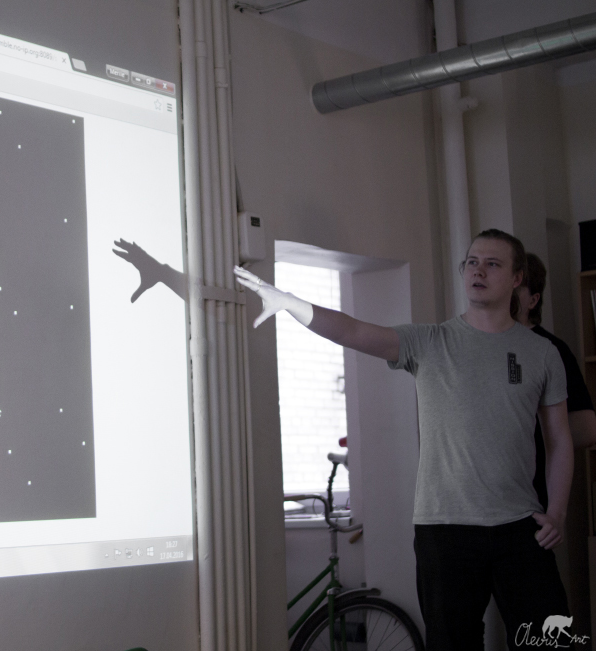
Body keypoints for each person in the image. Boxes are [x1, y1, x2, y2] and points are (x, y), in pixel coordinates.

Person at [235, 229, 573, 649]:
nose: (478, 271)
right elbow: (353, 331)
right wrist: (291, 303)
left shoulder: (542, 353)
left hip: (521, 527)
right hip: (444, 530)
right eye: (472, 262)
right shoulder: (429, 341)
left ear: (517, 278)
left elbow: (560, 440)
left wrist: (557, 513)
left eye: (492, 264)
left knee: (551, 641)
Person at [514, 253, 596, 511]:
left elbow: (587, 429)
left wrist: (530, 431)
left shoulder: (551, 350)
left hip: (532, 494)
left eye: (517, 286)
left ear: (533, 300)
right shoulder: (480, 346)